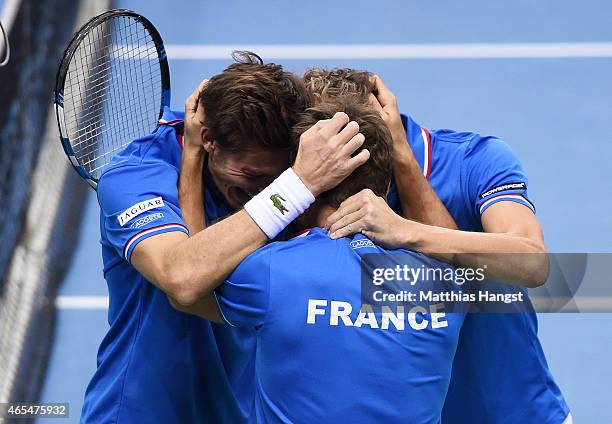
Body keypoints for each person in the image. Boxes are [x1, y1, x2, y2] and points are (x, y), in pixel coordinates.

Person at [81, 52, 369, 423]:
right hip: (143, 411)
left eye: (276, 177)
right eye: (251, 174)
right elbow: (182, 278)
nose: (263, 189)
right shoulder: (136, 176)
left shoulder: (298, 168)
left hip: (238, 409)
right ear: (209, 140)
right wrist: (294, 186)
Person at [310, 68, 571, 423]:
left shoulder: (475, 161)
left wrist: (405, 219)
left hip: (512, 414)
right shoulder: (306, 176)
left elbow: (532, 262)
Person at [187, 98, 468, 423]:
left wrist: (193, 158)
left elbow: (191, 283)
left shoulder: (271, 270)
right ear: (386, 184)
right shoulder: (449, 283)